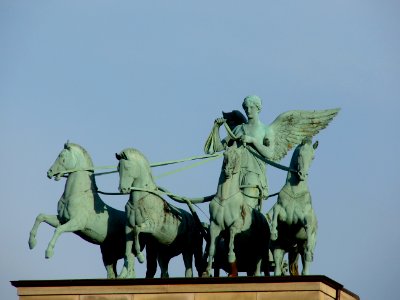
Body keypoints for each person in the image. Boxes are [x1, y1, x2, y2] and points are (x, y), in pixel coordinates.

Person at [204, 95, 275, 209]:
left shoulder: (266, 130)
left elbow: (270, 154)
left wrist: (253, 140)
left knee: (246, 208)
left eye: (251, 107)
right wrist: (217, 128)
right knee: (223, 207)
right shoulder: (238, 129)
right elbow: (217, 147)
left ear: (258, 108)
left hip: (253, 174)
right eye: (246, 108)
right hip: (233, 172)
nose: (248, 110)